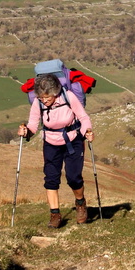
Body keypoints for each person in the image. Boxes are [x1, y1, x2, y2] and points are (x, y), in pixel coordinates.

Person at [18, 73, 95, 228]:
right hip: (51, 143)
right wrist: (26, 132)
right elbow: (33, 124)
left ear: (55, 93)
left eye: (47, 97)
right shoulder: (37, 103)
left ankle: (80, 203)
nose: (44, 101)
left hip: (73, 140)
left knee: (74, 177)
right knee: (51, 179)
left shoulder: (69, 97)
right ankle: (55, 214)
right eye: (41, 98)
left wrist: (88, 132)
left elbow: (83, 117)